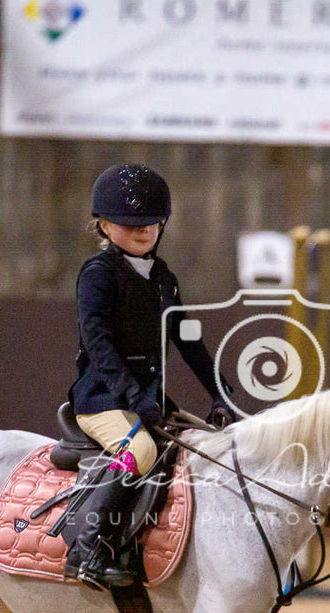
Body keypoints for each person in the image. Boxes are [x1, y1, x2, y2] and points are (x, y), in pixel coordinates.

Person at [65, 163, 234, 590]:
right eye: (129, 223)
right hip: (103, 399)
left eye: (151, 222)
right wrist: (132, 396)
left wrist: (220, 392)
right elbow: (98, 345)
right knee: (139, 451)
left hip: (148, 402)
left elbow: (189, 341)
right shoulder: (98, 276)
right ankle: (88, 546)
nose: (142, 231)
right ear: (103, 224)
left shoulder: (164, 280)